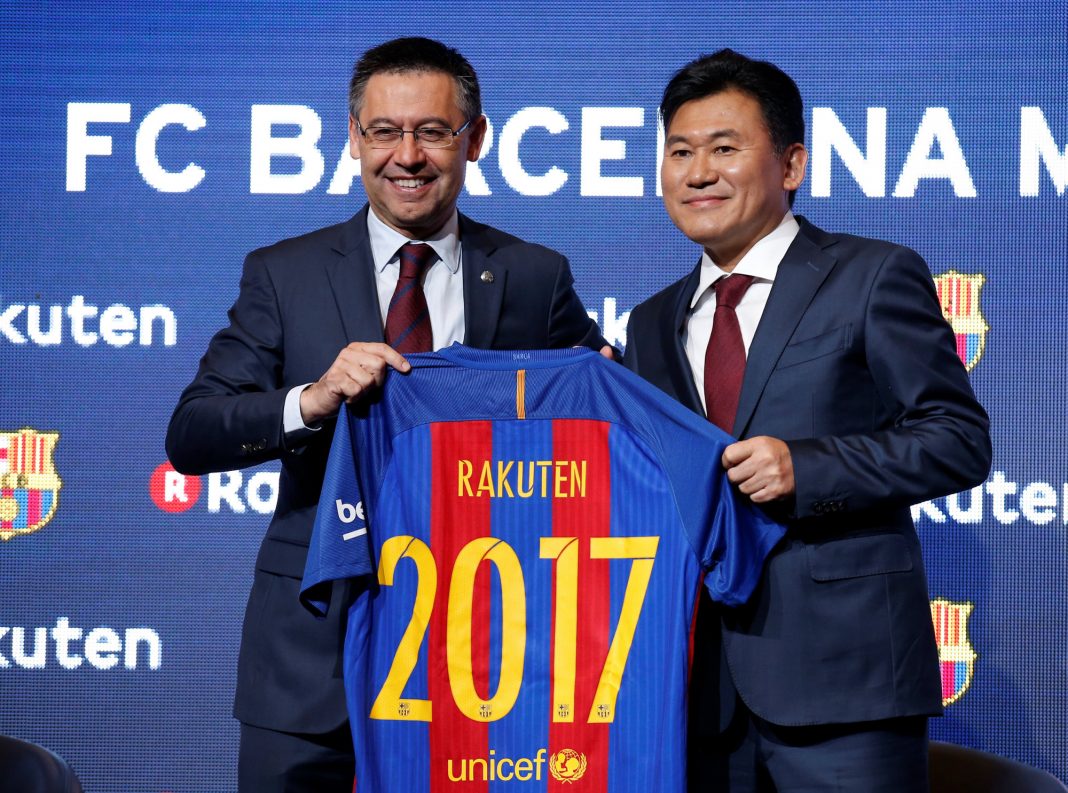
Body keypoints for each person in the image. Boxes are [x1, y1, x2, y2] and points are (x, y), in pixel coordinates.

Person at [166, 37, 608, 793]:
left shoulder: (536, 276)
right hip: (311, 660)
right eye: (383, 132)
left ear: (476, 140)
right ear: (352, 139)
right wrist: (313, 399)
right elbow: (193, 433)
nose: (407, 155)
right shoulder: (284, 273)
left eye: (433, 132)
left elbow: (603, 409)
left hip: (486, 659)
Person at [623, 49, 991, 791]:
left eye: (725, 149)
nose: (698, 172)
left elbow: (958, 439)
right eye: (680, 152)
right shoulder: (650, 322)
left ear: (791, 165)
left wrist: (808, 467)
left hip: (845, 684)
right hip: (690, 692)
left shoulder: (872, 275)